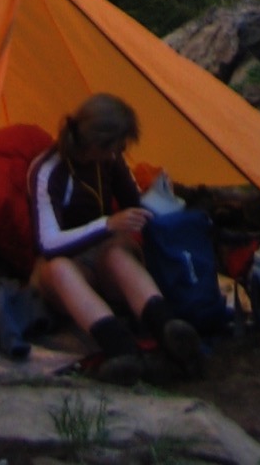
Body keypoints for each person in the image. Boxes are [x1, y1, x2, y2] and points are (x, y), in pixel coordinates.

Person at [29, 93, 203, 384]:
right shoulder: (48, 171)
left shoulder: (111, 162)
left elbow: (133, 204)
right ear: (95, 142)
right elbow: (47, 243)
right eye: (115, 147)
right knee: (57, 268)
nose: (118, 154)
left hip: (103, 260)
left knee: (117, 253)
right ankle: (121, 349)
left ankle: (167, 328)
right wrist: (106, 225)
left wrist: (162, 205)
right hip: (68, 269)